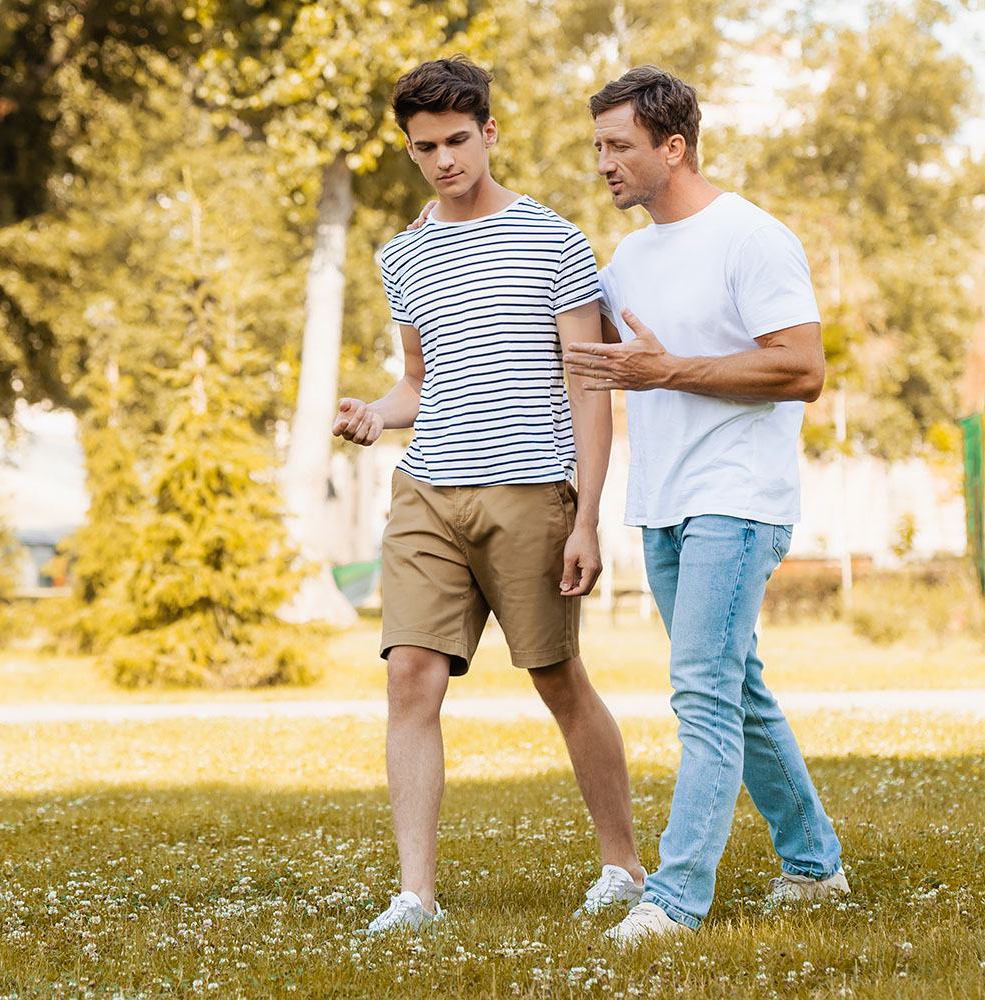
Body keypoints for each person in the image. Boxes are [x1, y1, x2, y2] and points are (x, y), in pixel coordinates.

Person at [331, 56, 644, 935]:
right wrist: (375, 413)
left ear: (490, 133)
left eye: (457, 141)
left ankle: (622, 865)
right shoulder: (402, 255)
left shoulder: (555, 241)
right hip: (429, 491)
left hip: (528, 494)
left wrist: (586, 514)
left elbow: (590, 387)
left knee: (558, 679)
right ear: (409, 148)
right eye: (424, 147)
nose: (443, 161)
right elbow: (420, 382)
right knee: (409, 681)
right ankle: (416, 896)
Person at [563, 66, 848, 944]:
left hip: (738, 496)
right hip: (664, 501)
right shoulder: (630, 258)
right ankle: (814, 864)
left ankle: (677, 897)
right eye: (598, 145)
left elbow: (801, 368)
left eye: (619, 146)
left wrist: (670, 370)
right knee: (738, 690)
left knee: (701, 695)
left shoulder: (751, 238)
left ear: (673, 146)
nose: (604, 163)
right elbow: (588, 358)